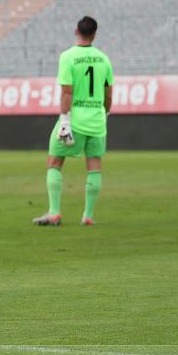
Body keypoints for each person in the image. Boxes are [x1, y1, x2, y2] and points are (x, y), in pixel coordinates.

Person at [34, 16, 113, 227]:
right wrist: (105, 114)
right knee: (94, 165)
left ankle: (54, 212)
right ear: (94, 34)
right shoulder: (104, 59)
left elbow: (67, 92)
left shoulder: (67, 57)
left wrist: (65, 121)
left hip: (75, 120)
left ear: (76, 31)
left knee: (54, 162)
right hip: (97, 121)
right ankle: (88, 215)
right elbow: (108, 95)